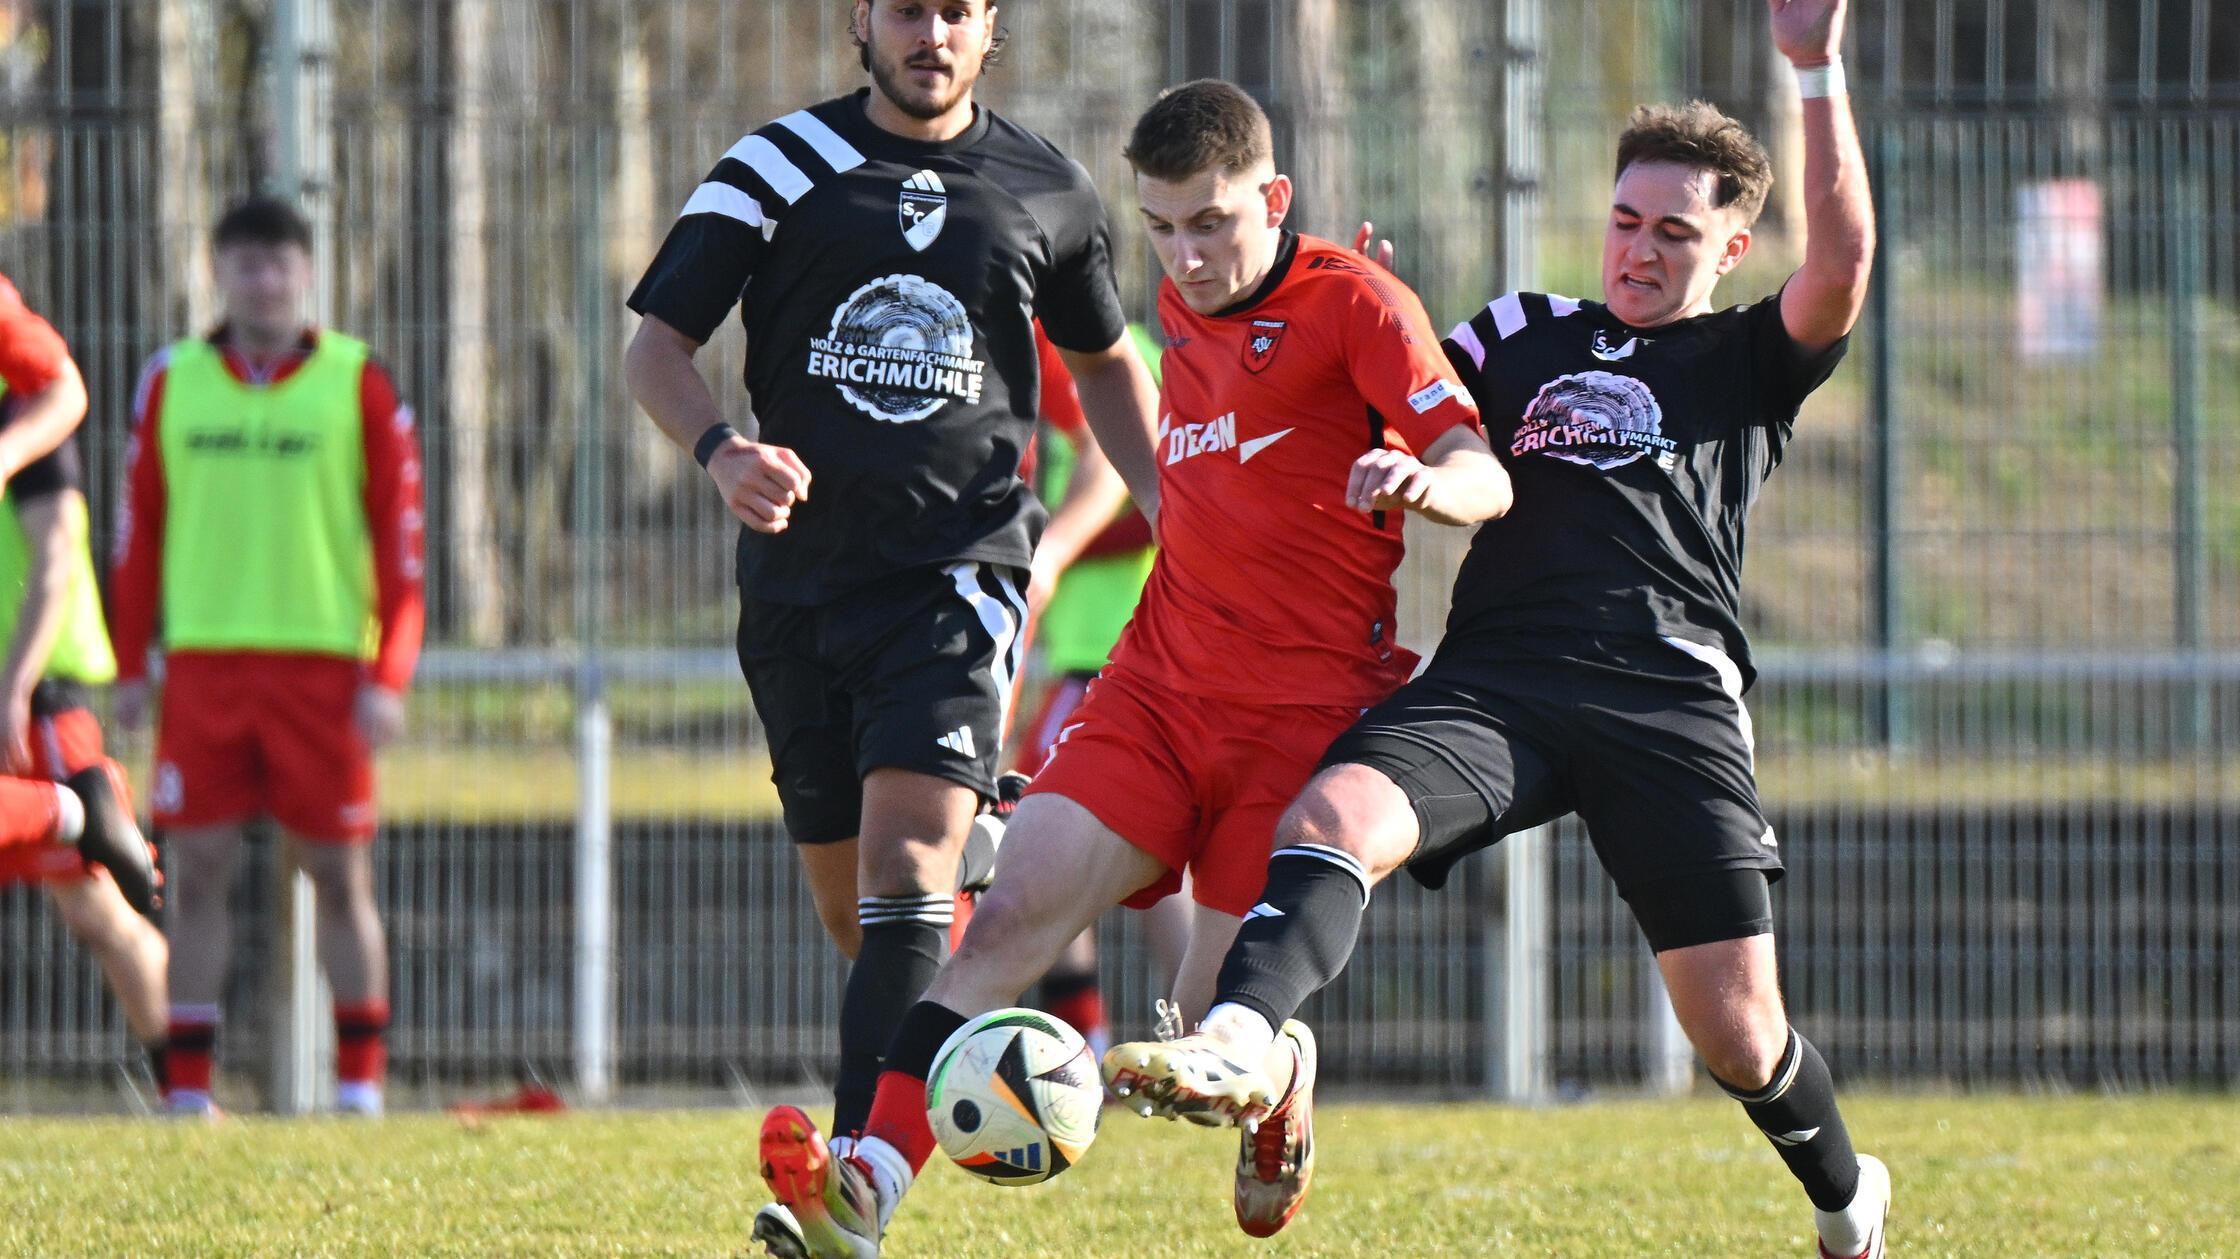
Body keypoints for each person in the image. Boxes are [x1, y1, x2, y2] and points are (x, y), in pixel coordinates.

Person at [1105, 3, 1890, 1255]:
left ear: (1733, 247)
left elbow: (1841, 267)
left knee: (1735, 1033)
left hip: (1665, 696)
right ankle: (1241, 1040)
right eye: (1624, 220)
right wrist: (1332, 312)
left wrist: (1812, 69)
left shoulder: (1744, 359)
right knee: (1328, 818)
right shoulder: (1519, 332)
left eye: (1673, 232)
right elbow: (1388, 387)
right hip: (1497, 686)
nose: (1637, 250)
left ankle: (1850, 1199)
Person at [753, 79, 1511, 1258]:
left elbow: (1483, 467)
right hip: (1155, 691)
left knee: (1212, 1028)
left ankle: (1280, 1068)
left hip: (1299, 716)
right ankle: (866, 1187)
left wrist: (1427, 485)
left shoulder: (1356, 301)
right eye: (1160, 227)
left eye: (1210, 223)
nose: (1186, 257)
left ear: (1274, 196)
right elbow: (1138, 412)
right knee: (1003, 922)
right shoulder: (1172, 300)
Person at [620, 2, 1162, 1249]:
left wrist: (1184, 515)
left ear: (990, 31)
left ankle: (851, 1189)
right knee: (857, 911)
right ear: (860, 22)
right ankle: (977, 868)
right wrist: (718, 451)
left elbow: (1107, 371)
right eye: (907, 8)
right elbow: (655, 348)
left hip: (960, 575)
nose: (933, 31)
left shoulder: (1047, 189)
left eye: (958, 11)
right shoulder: (774, 169)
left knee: (901, 876)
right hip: (798, 596)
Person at [111, 197, 427, 1118]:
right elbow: (138, 532)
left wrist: (390, 674)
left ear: (307, 273)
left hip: (324, 671)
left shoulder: (357, 380)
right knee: (197, 869)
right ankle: (189, 1094)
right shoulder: (172, 381)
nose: (263, 279)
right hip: (205, 667)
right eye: (245, 262)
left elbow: (401, 543)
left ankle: (360, 1087)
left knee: (338, 873)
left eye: (279, 261)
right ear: (219, 272)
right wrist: (133, 665)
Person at [0, 271, 167, 1086]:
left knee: (98, 912)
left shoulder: (20, 410)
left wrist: (14, 684)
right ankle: (74, 810)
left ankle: (188, 1086)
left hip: (35, 686)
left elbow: (60, 556)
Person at [1014, 321, 1184, 1062]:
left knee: (1037, 830)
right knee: (1120, 847)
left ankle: (1110, 1040)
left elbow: (1158, 504)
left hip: (1120, 647)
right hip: (1087, 652)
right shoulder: (1031, 361)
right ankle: (1166, 1038)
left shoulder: (1120, 358)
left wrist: (1039, 545)